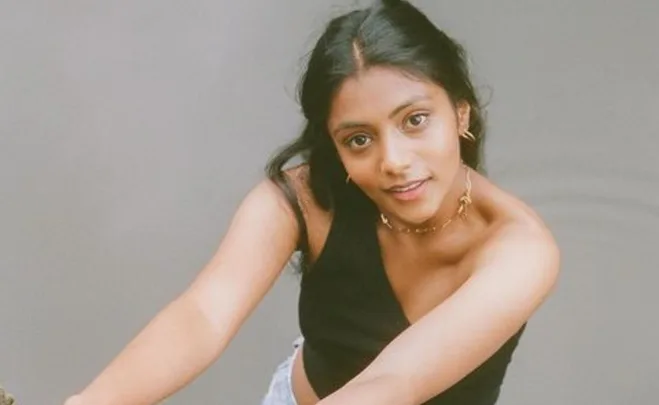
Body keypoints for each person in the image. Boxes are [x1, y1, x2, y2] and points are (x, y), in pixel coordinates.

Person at [63, 1, 560, 404]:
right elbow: (202, 315)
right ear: (333, 144)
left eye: (414, 120)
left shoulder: (521, 251)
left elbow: (392, 384)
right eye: (359, 139)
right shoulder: (304, 199)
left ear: (460, 112)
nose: (393, 161)